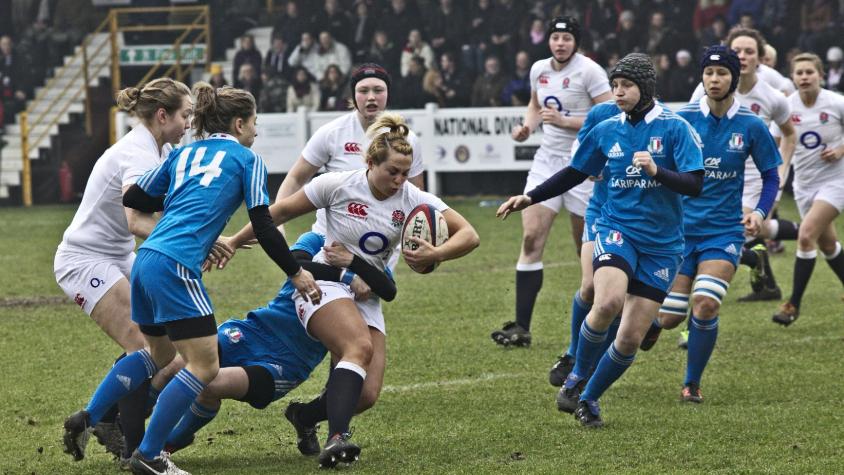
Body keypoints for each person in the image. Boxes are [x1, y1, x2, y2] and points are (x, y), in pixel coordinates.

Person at [63, 83, 318, 475]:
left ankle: (88, 415)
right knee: (204, 366)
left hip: (144, 259)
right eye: (253, 123)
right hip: (176, 265)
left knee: (158, 355)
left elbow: (135, 199)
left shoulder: (182, 154)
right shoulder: (247, 159)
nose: (255, 131)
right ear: (238, 123)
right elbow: (264, 225)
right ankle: (149, 454)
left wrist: (188, 197)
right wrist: (296, 272)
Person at [224, 113, 480, 465]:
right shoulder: (338, 184)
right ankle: (337, 439)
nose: (400, 180)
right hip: (323, 284)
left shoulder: (411, 199)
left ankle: (306, 416)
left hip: (368, 291)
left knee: (367, 394)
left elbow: (470, 235)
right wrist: (235, 240)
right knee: (357, 347)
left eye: (406, 173)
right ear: (371, 162)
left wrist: (438, 253)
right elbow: (277, 212)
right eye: (393, 171)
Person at [497, 53, 704, 427]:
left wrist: (658, 171)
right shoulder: (607, 127)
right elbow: (575, 172)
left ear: (646, 88)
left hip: (663, 244)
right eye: (614, 86)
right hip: (616, 228)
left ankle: (589, 398)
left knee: (628, 339)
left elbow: (695, 183)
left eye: (625, 85)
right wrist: (531, 197)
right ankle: (577, 372)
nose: (618, 92)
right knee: (605, 299)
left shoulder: (675, 128)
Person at [159, 231, 397, 461]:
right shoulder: (318, 239)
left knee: (210, 385)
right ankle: (128, 421)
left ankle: (166, 444)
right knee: (174, 365)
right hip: (255, 330)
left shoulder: (372, 261)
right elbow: (293, 263)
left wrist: (356, 263)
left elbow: (387, 289)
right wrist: (348, 276)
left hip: (285, 362)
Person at [55, 78, 195, 461]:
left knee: (167, 346)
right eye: (186, 115)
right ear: (162, 115)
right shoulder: (139, 153)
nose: (189, 123)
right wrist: (189, 242)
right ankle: (130, 445)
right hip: (84, 260)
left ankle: (99, 416)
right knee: (146, 343)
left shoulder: (161, 148)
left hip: (119, 256)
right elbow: (136, 220)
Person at [641, 46, 781, 403]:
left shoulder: (751, 124)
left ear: (734, 78)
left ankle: (692, 383)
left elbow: (770, 177)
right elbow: (660, 168)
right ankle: (655, 324)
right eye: (708, 73)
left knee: (705, 304)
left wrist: (761, 213)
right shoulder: (682, 120)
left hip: (724, 232)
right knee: (671, 316)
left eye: (721, 74)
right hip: (678, 232)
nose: (714, 80)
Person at [490, 17, 613, 348]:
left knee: (583, 249)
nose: (560, 43)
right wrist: (526, 127)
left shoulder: (590, 71)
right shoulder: (538, 69)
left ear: (576, 42)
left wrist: (565, 121)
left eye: (567, 38)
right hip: (547, 161)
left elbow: (611, 115)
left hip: (584, 165)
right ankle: (521, 328)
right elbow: (535, 105)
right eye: (556, 37)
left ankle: (603, 318)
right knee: (531, 238)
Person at [690, 27, 797, 304]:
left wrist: (782, 170)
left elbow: (789, 134)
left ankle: (694, 323)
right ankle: (755, 258)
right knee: (744, 232)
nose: (743, 56)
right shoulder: (706, 88)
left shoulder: (772, 95)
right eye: (737, 51)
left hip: (753, 177)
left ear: (760, 58)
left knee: (732, 230)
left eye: (750, 51)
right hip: (717, 174)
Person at [770, 53, 844, 325]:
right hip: (803, 184)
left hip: (836, 182)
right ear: (792, 77)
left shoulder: (836, 103)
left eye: (809, 72)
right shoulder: (786, 107)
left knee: (806, 236)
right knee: (828, 245)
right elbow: (775, 144)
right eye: (798, 73)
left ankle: (792, 305)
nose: (803, 77)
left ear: (820, 75)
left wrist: (840, 149)